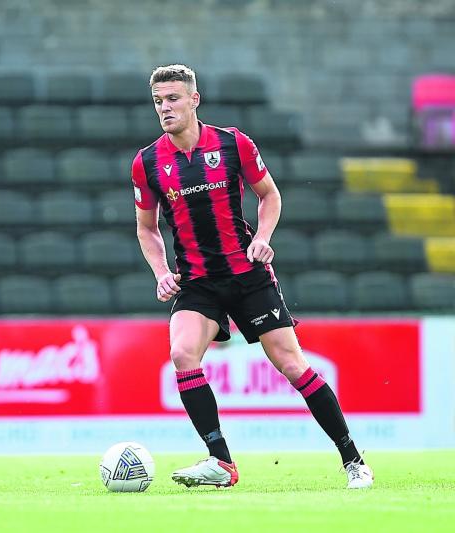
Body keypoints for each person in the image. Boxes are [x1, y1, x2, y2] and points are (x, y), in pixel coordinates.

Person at [131, 64, 373, 490]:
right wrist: (160, 272)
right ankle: (221, 463)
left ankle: (353, 459)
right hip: (198, 282)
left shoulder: (231, 143)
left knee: (291, 365)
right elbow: (146, 228)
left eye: (172, 98)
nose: (164, 108)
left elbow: (270, 196)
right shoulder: (148, 162)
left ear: (193, 99)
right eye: (157, 101)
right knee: (183, 354)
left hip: (248, 275)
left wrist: (262, 237)